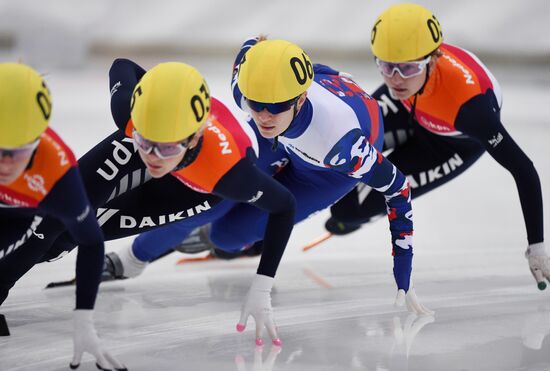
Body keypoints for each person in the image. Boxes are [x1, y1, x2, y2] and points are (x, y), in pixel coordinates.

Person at [119, 38, 432, 319]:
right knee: (209, 197)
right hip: (287, 136)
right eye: (256, 105)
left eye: (276, 106)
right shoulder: (247, 89)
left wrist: (403, 269)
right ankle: (133, 258)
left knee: (226, 235)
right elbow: (255, 43)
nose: (265, 116)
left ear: (299, 98)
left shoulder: (342, 147)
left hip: (324, 171)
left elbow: (398, 188)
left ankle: (232, 240)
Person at [41, 59, 297, 346]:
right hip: (166, 148)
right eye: (147, 141)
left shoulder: (229, 175)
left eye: (166, 147)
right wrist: (157, 96)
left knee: (71, 233)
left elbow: (284, 206)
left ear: (192, 139)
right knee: (53, 219)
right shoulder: (131, 118)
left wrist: (262, 288)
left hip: (197, 184)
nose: (155, 156)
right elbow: (121, 65)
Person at [323, 3, 547, 289]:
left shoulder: (471, 107)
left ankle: (355, 215)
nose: (395, 78)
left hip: (449, 147)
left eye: (407, 68)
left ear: (433, 59)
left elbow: (523, 169)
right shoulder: (402, 82)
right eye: (385, 66)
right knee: (337, 153)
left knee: (348, 210)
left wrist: (537, 246)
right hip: (408, 109)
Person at [0, 63, 125, 370]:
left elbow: (92, 241)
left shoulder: (56, 169)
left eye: (16, 152)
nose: (4, 165)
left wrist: (84, 318)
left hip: (24, 215)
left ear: (38, 140)